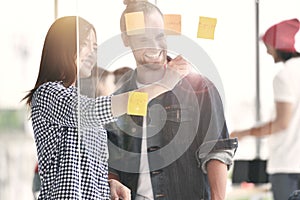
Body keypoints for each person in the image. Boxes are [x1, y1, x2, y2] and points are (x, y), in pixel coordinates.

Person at [22, 16, 188, 200]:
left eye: (95, 47)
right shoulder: (48, 93)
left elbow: (81, 165)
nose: (93, 53)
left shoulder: (77, 99)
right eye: (86, 44)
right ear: (64, 46)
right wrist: (164, 85)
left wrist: (107, 184)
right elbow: (97, 110)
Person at [106, 1, 238, 199]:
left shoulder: (199, 87)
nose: (154, 45)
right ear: (126, 39)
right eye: (143, 38)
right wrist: (111, 181)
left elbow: (216, 151)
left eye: (159, 36)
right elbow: (112, 159)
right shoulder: (118, 99)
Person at [231, 18, 300, 200]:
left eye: (268, 45)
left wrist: (245, 132)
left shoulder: (284, 76)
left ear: (279, 46)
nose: (267, 51)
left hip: (287, 165)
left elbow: (281, 123)